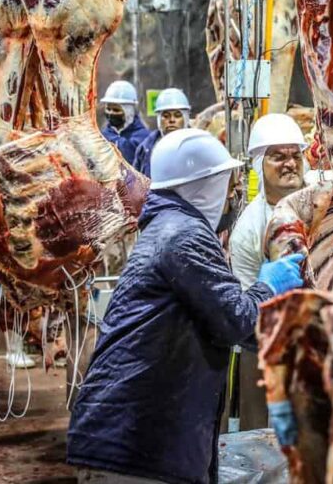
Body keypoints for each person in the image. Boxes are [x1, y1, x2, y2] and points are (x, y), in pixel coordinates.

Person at [67, 129, 305, 484]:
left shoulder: (169, 227)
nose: (231, 196)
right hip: (134, 445)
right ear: (204, 187)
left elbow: (229, 323)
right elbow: (236, 321)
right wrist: (268, 286)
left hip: (136, 438)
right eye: (226, 184)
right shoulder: (183, 235)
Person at [229, 113, 309, 288]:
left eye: (296, 156)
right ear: (259, 164)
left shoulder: (328, 195)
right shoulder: (247, 232)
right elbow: (248, 297)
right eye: (279, 157)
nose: (291, 164)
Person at [133, 88, 192, 177]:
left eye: (177, 115)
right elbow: (136, 180)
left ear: (186, 117)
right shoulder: (145, 148)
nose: (172, 120)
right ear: (159, 119)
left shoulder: (196, 146)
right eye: (166, 116)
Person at [100, 80, 150, 165]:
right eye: (108, 109)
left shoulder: (144, 138)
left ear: (128, 111)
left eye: (116, 110)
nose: (111, 113)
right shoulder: (102, 136)